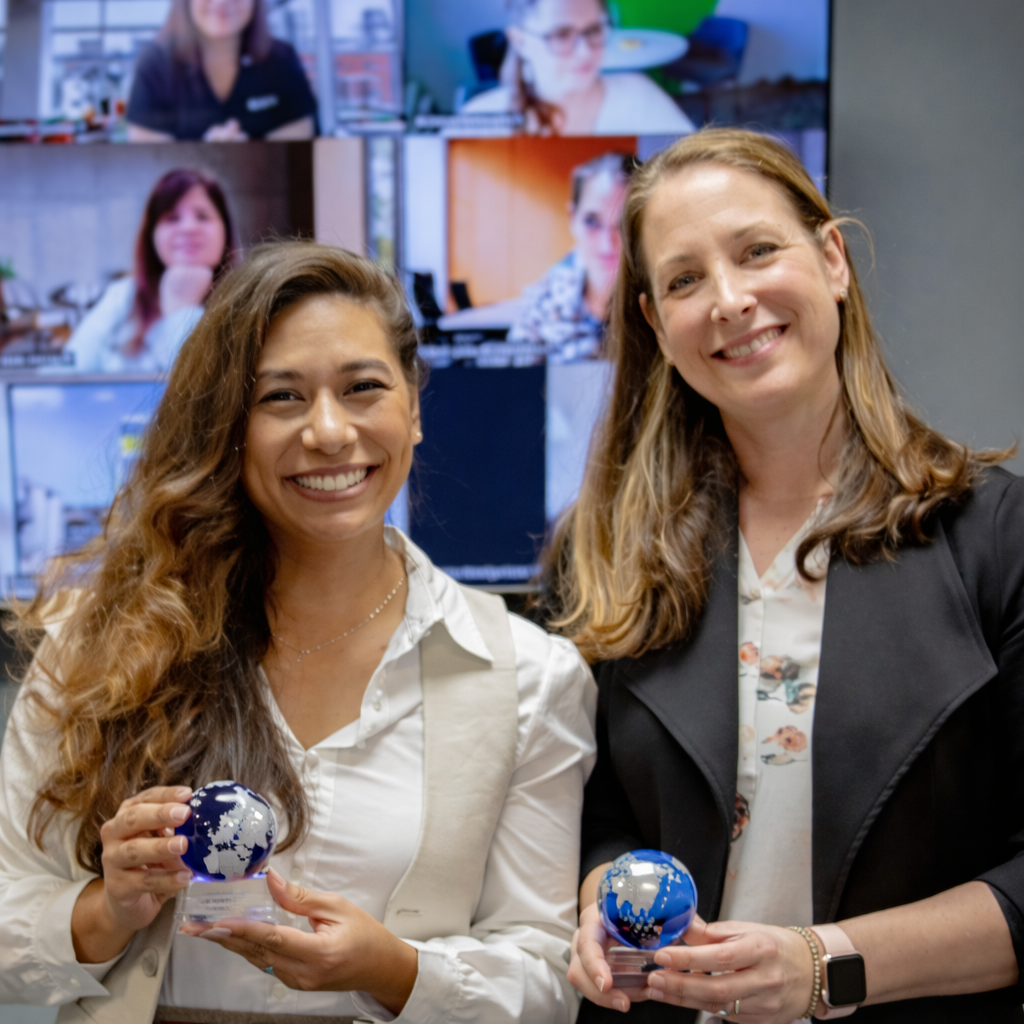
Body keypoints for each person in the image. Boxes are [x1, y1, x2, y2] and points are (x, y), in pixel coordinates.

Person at [0, 242, 596, 1022]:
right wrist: (106, 910)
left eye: (363, 388)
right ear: (229, 425)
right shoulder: (98, 649)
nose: (328, 431)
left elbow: (548, 980)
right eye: (281, 397)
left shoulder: (530, 678)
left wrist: (395, 971)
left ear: (414, 409)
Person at [541, 128, 1024, 1021]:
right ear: (656, 324)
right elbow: (600, 815)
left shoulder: (995, 535)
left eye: (758, 251)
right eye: (685, 280)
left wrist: (822, 966)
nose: (730, 300)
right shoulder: (604, 554)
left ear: (833, 259)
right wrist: (606, 903)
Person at [61, 168, 235, 374]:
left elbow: (204, 386)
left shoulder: (248, 303)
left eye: (202, 216)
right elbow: (66, 372)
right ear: (152, 234)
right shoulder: (123, 295)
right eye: (172, 218)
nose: (188, 227)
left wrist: (181, 311)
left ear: (225, 229)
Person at [460, 0, 695, 136]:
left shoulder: (640, 99)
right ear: (520, 41)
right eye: (562, 34)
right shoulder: (478, 122)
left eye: (593, 30)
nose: (585, 51)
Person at [127, 0, 317, 141]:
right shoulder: (155, 64)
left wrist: (249, 155)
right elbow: (146, 146)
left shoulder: (281, 59)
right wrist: (208, 156)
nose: (222, 1)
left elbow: (300, 136)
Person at [509, 151, 631, 363]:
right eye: (592, 222)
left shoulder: (664, 301)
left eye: (624, 224)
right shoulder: (540, 307)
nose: (607, 244)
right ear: (572, 218)